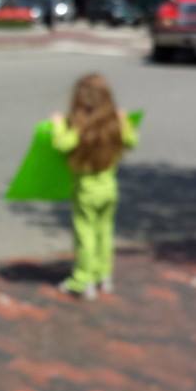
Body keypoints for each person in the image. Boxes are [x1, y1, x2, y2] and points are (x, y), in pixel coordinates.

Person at [50, 73, 137, 300]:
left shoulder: (79, 129)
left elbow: (61, 145)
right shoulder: (114, 125)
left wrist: (58, 125)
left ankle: (82, 280)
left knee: (85, 236)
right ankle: (103, 276)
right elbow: (132, 141)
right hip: (109, 191)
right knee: (104, 233)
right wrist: (124, 120)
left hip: (85, 193)